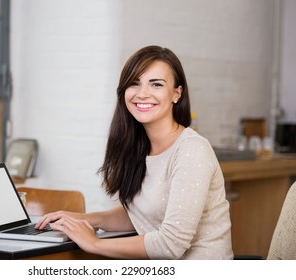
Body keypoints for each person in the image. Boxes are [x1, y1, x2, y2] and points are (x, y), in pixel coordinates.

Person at [36, 45, 233, 260]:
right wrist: (83, 220)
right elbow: (142, 215)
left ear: (177, 93)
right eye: (134, 83)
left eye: (156, 84)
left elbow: (171, 245)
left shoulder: (192, 150)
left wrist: (93, 243)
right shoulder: (138, 146)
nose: (142, 94)